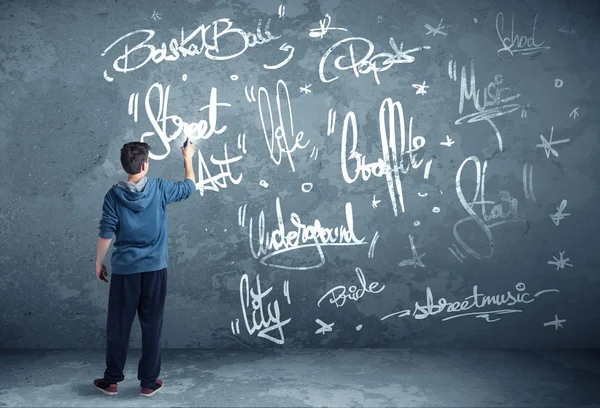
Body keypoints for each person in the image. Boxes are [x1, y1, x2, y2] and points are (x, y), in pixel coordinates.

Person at [92, 138, 196, 397]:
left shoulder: (113, 195)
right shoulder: (160, 188)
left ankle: (112, 380)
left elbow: (106, 233)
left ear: (125, 166)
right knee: (152, 326)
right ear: (145, 165)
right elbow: (190, 186)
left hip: (125, 272)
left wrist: (99, 262)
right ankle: (149, 382)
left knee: (119, 327)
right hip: (155, 271)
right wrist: (187, 157)